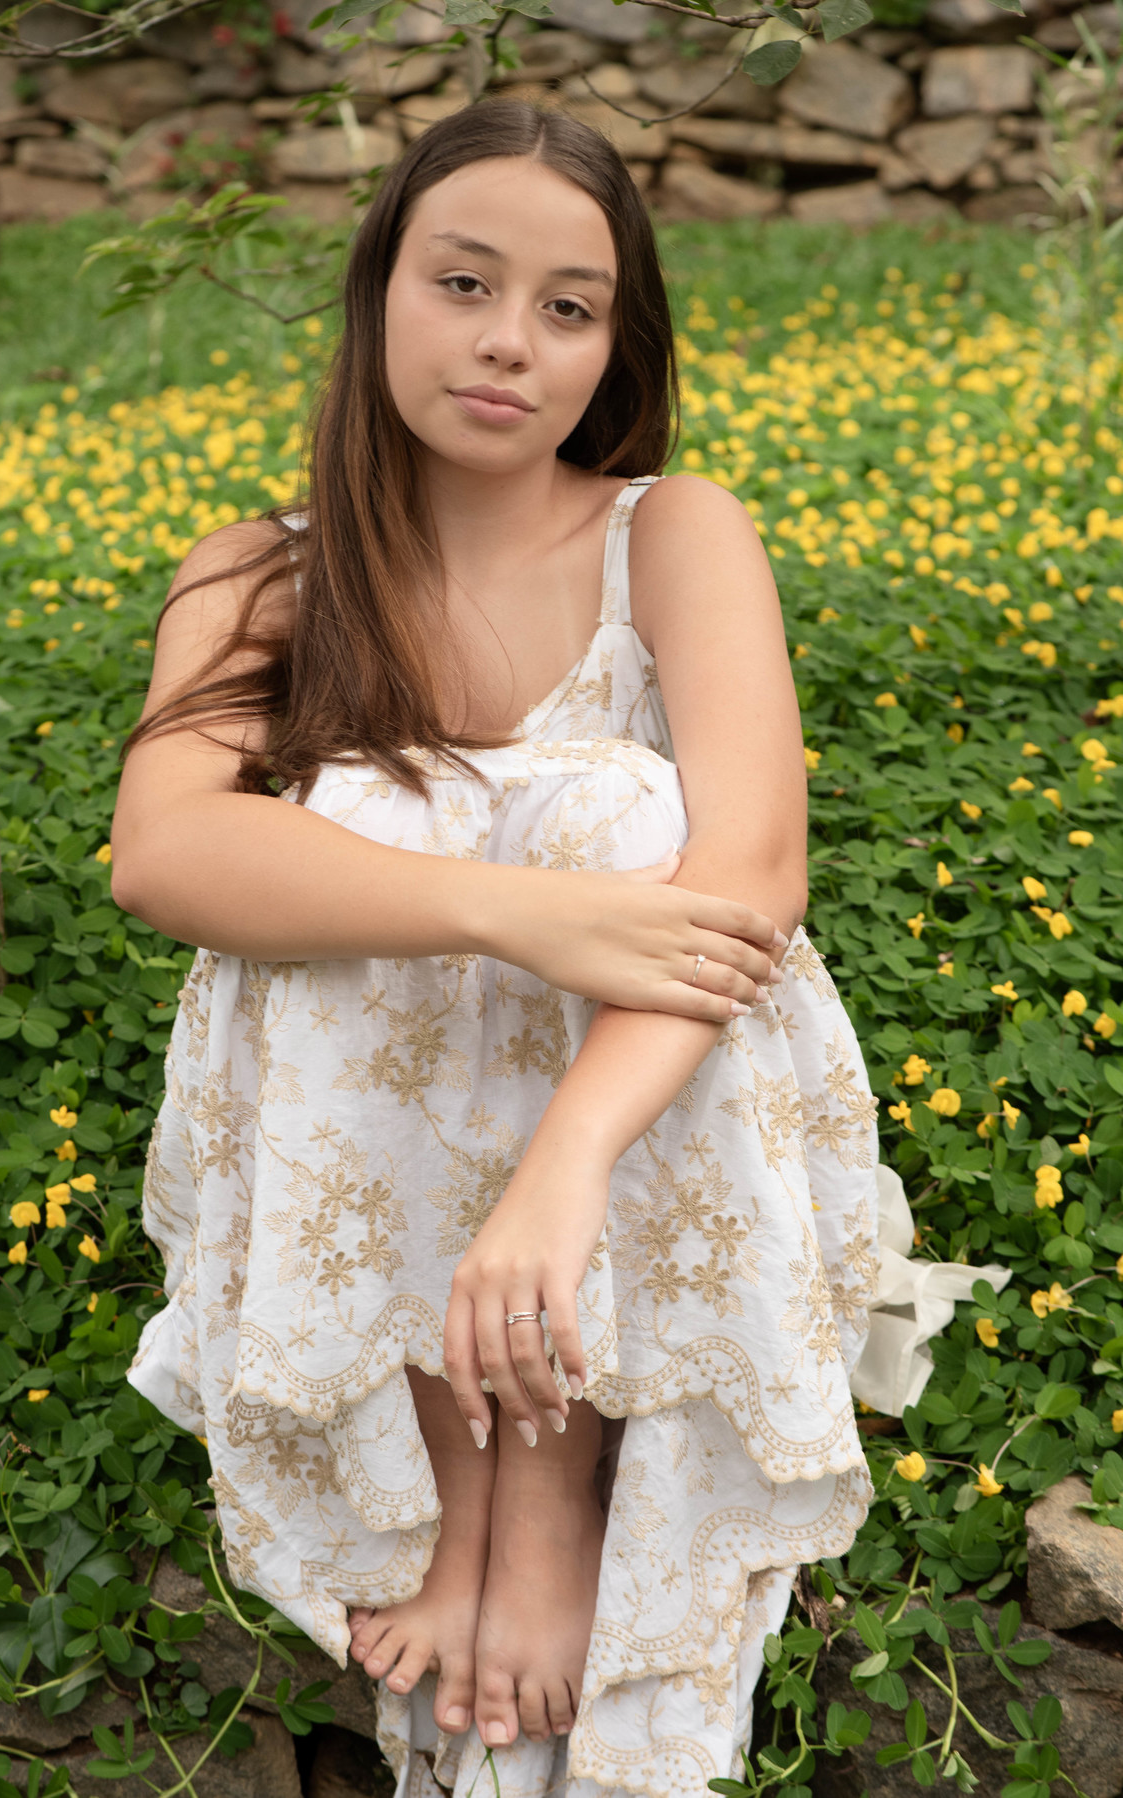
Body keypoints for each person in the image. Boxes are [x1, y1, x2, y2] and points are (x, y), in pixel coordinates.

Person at [113, 99, 879, 1798]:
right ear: (380, 287)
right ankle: (451, 1479)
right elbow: (163, 852)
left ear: (614, 348)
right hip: (416, 1081)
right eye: (464, 283)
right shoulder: (259, 574)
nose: (509, 341)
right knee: (365, 829)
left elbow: (751, 873)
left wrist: (565, 1165)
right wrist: (513, 907)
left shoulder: (671, 532)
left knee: (617, 810)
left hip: (640, 1091)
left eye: (567, 307)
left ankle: (544, 1477)